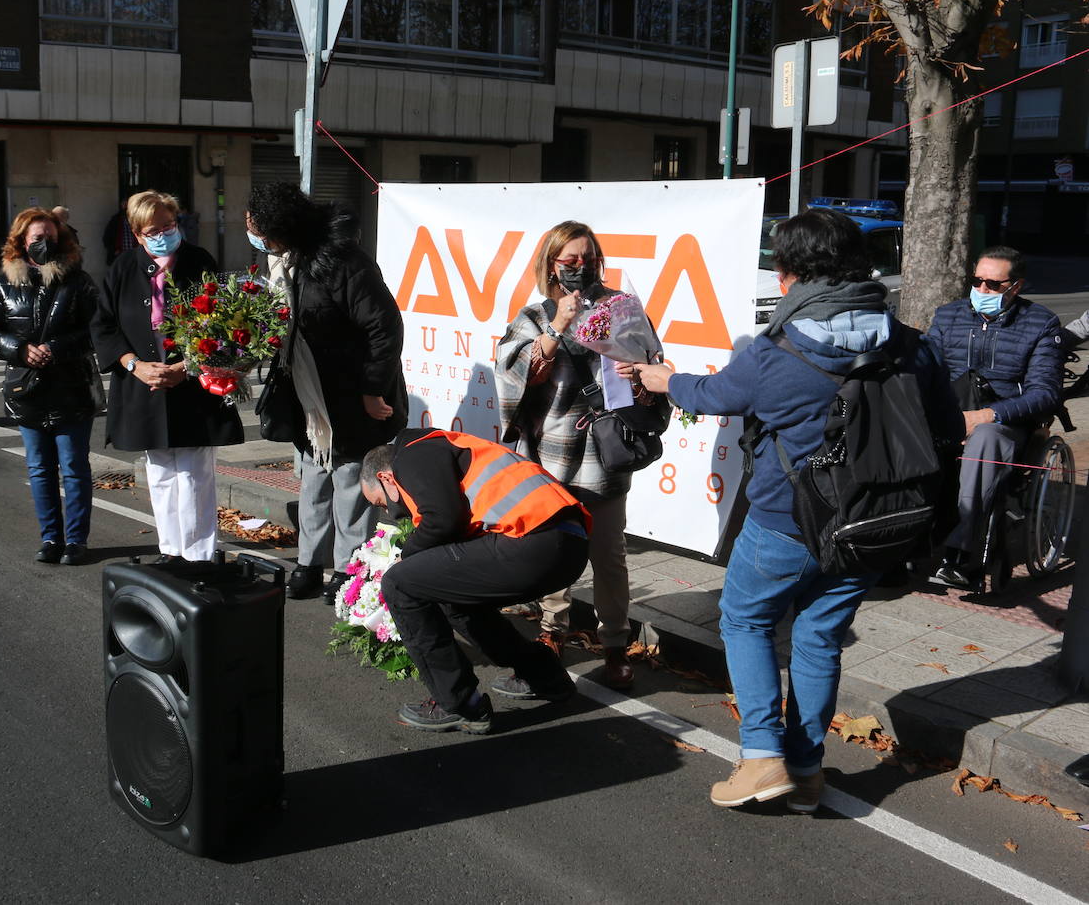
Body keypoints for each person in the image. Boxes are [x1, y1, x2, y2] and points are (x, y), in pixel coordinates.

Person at [628, 208, 961, 812]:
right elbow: (947, 429)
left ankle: (761, 758)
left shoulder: (777, 350)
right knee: (819, 639)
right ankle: (807, 770)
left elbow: (714, 396)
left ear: (790, 276)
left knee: (746, 620)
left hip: (786, 520)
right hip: (874, 525)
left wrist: (664, 380)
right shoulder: (914, 343)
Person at [495, 220, 656, 690]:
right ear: (551, 264)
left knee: (609, 555)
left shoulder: (621, 307)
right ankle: (551, 633)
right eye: (570, 261)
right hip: (552, 452)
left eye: (588, 259)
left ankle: (615, 644)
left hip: (606, 452)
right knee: (554, 550)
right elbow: (512, 373)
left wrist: (640, 374)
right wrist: (558, 326)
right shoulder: (535, 314)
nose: (580, 268)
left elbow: (654, 365)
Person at [361, 429, 592, 733]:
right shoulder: (445, 448)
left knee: (399, 583)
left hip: (533, 541)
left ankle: (459, 704)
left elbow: (443, 519)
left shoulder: (413, 455)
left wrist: (406, 556)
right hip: (567, 545)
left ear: (387, 478)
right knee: (450, 596)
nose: (392, 513)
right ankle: (545, 676)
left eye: (381, 503)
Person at [246, 182, 407, 601]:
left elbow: (384, 328)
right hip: (307, 395)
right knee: (313, 479)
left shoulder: (344, 263)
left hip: (350, 393)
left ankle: (347, 568)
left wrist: (373, 389)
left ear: (287, 229)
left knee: (350, 482)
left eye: (263, 232)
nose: (258, 238)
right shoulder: (285, 261)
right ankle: (308, 562)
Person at [91, 190, 243, 562]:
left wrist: (187, 367)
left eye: (168, 225)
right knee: (159, 472)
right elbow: (104, 326)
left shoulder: (199, 261)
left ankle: (199, 554)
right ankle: (171, 550)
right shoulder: (123, 268)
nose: (162, 234)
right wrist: (134, 365)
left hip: (191, 384)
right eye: (151, 230)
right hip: (143, 384)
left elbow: (224, 323)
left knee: (194, 474)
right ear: (137, 233)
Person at [925, 246, 1064, 589]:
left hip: (1004, 422)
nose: (982, 290)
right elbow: (925, 372)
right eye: (976, 281)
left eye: (993, 284)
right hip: (951, 413)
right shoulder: (948, 316)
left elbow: (1045, 393)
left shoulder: (1041, 323)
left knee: (985, 437)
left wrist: (988, 414)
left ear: (1015, 287)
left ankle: (959, 554)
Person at [0, 208, 99, 565]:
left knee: (74, 466)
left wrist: (56, 349)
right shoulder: (4, 284)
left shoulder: (79, 281)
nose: (44, 244)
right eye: (37, 238)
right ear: (21, 242)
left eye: (50, 237)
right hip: (26, 389)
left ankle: (76, 541)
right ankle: (50, 539)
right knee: (39, 469)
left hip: (72, 387)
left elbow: (96, 331)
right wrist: (18, 349)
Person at [102, 198, 136, 266]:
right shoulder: (115, 220)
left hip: (134, 255)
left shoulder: (136, 220)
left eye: (128, 205)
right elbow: (106, 238)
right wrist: (114, 250)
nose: (126, 207)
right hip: (120, 256)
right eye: (124, 204)